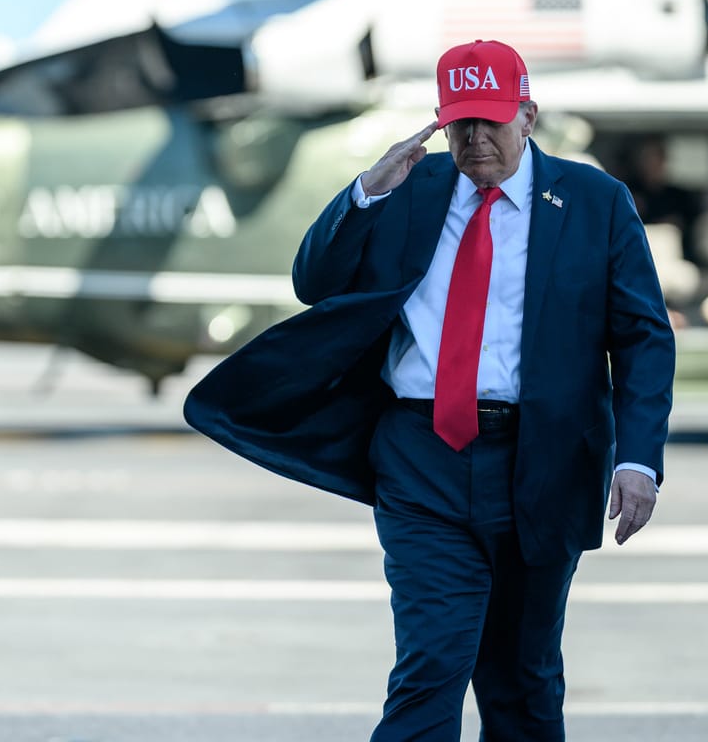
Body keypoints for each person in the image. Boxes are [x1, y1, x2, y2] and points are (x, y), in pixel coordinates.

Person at [184, 39, 675, 741]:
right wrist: (366, 192)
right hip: (423, 458)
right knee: (431, 667)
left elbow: (643, 338)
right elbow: (314, 282)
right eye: (459, 124)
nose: (476, 140)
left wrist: (638, 460)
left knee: (523, 682)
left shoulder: (595, 202)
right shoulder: (409, 190)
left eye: (491, 122)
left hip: (544, 460)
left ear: (528, 116)